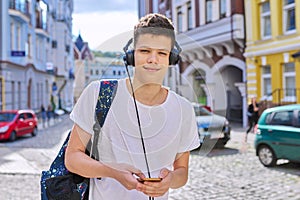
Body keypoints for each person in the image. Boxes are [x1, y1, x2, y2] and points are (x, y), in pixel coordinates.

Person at [65, 13, 200, 199]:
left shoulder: (184, 109)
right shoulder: (98, 93)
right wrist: (113, 172)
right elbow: (72, 159)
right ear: (131, 55)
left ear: (171, 59)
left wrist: (170, 181)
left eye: (161, 53)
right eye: (145, 51)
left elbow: (182, 173)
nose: (153, 59)